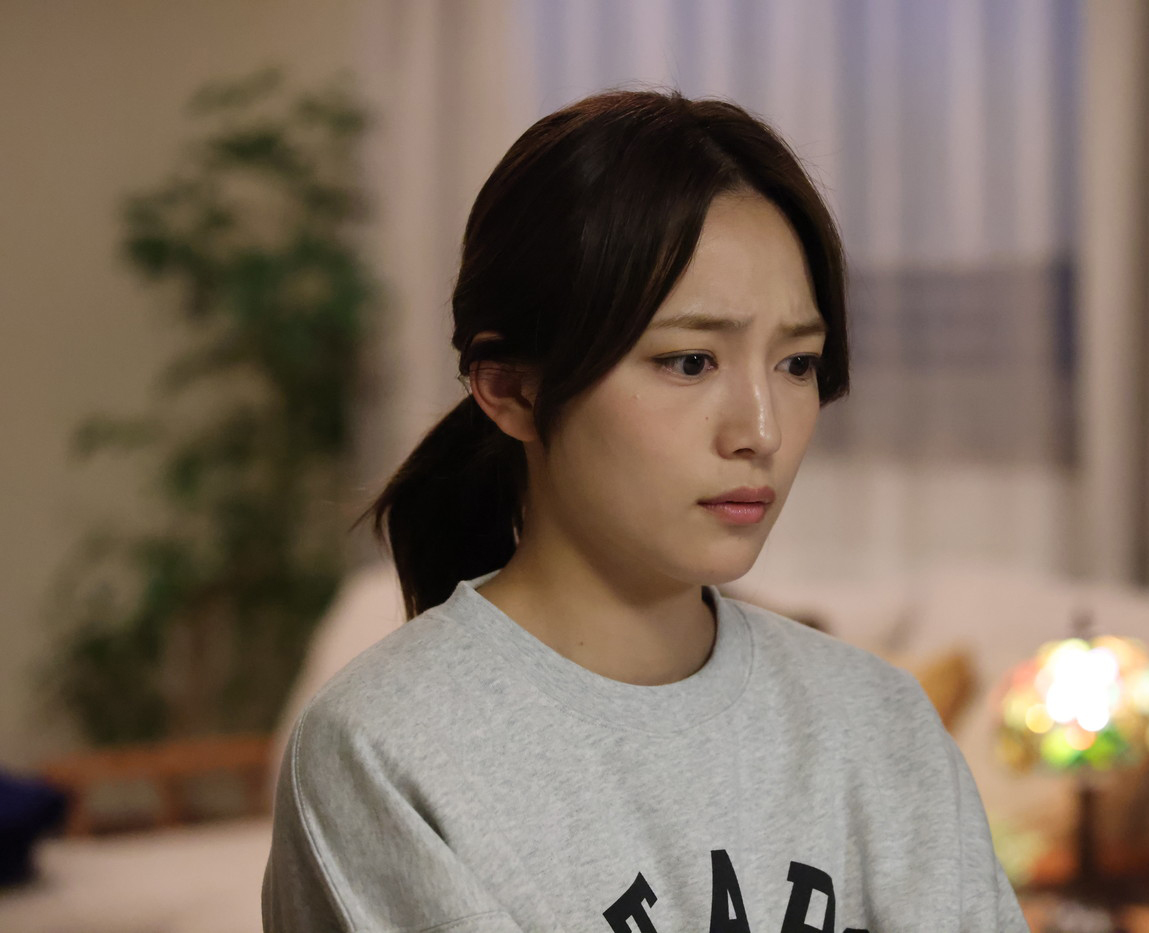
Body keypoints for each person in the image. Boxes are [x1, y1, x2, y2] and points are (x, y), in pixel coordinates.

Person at [261, 87, 1029, 933]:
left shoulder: (878, 719)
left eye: (797, 363)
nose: (762, 431)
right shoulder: (384, 749)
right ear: (510, 388)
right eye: (691, 361)